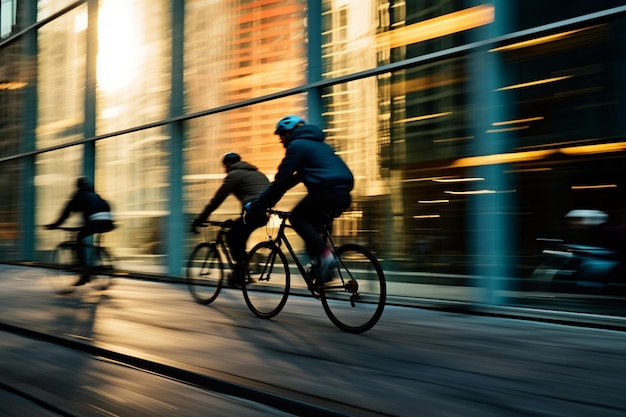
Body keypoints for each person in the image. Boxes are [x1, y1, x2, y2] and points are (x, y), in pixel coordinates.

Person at [245, 115, 354, 286]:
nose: (281, 141)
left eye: (281, 135)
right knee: (314, 229)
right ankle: (323, 269)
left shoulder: (297, 146)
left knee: (297, 218)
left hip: (325, 192)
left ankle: (326, 257)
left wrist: (258, 205)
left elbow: (280, 181)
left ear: (289, 134)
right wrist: (269, 201)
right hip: (343, 194)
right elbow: (289, 182)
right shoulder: (320, 146)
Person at [191, 152, 270, 286]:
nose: (225, 169)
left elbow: (217, 199)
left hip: (253, 213)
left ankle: (240, 272)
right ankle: (244, 269)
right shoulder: (256, 173)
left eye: (225, 166)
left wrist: (200, 219)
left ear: (227, 164)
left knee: (232, 237)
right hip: (264, 214)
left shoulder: (234, 175)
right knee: (240, 236)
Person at [46, 177, 115, 286]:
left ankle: (85, 273)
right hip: (108, 220)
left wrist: (55, 225)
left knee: (79, 238)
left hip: (95, 221)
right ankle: (96, 261)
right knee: (88, 233)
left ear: (77, 186)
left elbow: (66, 213)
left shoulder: (79, 195)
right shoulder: (95, 195)